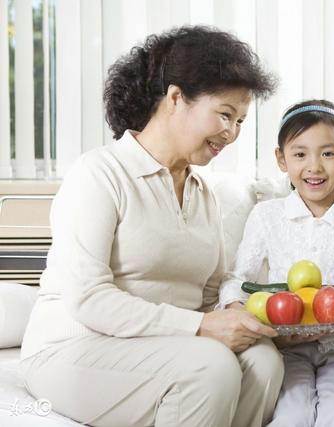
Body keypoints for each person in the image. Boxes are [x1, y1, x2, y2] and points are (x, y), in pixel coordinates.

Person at [20, 26, 284, 427]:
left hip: (164, 346)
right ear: (176, 98)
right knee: (209, 366)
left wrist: (239, 315)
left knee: (264, 361)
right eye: (226, 115)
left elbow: (210, 292)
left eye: (241, 121)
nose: (231, 133)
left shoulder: (203, 192)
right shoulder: (99, 174)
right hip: (74, 346)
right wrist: (199, 327)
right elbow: (89, 298)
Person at [217, 99, 334, 427]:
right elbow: (239, 277)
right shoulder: (267, 216)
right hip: (286, 346)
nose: (314, 167)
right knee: (291, 416)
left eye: (328, 153)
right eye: (299, 154)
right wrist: (235, 305)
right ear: (281, 159)